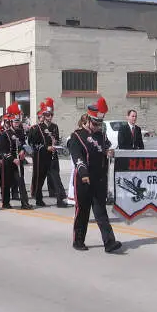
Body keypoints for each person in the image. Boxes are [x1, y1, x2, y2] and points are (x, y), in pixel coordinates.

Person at [67, 97, 122, 253]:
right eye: (96, 124)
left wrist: (108, 152)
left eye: (100, 124)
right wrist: (83, 172)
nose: (98, 126)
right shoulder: (76, 136)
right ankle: (78, 240)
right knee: (82, 212)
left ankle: (109, 242)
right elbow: (77, 156)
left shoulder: (101, 135)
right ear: (88, 121)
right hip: (84, 180)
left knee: (101, 212)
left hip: (99, 180)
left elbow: (105, 150)